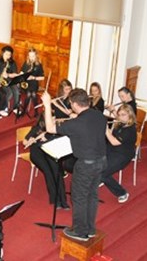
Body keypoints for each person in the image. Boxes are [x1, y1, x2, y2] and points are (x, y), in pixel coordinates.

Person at [42, 88, 107, 242]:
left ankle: (80, 231)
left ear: (74, 104)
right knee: (92, 195)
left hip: (86, 165)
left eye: (71, 104)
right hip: (101, 161)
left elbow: (50, 128)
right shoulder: (98, 115)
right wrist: (74, 116)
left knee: (79, 197)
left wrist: (47, 105)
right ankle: (90, 229)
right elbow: (86, 122)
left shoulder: (76, 124)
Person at [24, 116, 69, 209]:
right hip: (37, 153)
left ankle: (63, 200)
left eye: (54, 118)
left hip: (49, 151)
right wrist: (31, 140)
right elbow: (25, 142)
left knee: (57, 173)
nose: (54, 120)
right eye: (51, 119)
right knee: (48, 172)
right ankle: (55, 200)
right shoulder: (36, 129)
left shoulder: (55, 128)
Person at [101, 104, 137, 203]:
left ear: (130, 116)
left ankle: (122, 193)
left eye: (123, 115)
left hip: (123, 155)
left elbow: (114, 142)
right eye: (119, 115)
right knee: (95, 160)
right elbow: (118, 118)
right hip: (112, 150)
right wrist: (113, 112)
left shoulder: (130, 129)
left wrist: (106, 129)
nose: (120, 117)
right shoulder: (121, 122)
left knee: (102, 173)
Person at [0, 45, 21, 116]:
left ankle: (15, 107)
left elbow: (14, 74)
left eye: (9, 55)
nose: (8, 56)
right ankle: (2, 108)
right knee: (9, 92)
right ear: (2, 53)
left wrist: (7, 75)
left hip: (9, 80)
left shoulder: (12, 62)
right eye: (6, 54)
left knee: (16, 90)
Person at [20, 47, 45, 114]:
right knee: (28, 94)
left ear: (36, 56)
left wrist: (34, 78)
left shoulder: (39, 65)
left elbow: (42, 78)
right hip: (26, 83)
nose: (31, 58)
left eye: (33, 56)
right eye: (30, 56)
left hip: (34, 83)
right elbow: (21, 72)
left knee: (33, 94)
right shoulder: (26, 63)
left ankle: (36, 111)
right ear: (28, 56)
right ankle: (24, 110)